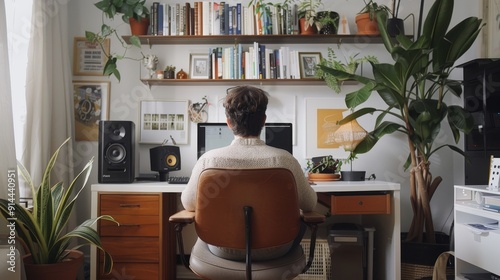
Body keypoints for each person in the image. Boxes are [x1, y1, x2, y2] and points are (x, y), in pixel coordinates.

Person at [181, 85, 317, 261]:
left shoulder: (208, 160)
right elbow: (310, 204)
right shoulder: (286, 160)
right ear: (263, 121)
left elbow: (188, 204)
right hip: (277, 249)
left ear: (229, 123)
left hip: (222, 250)